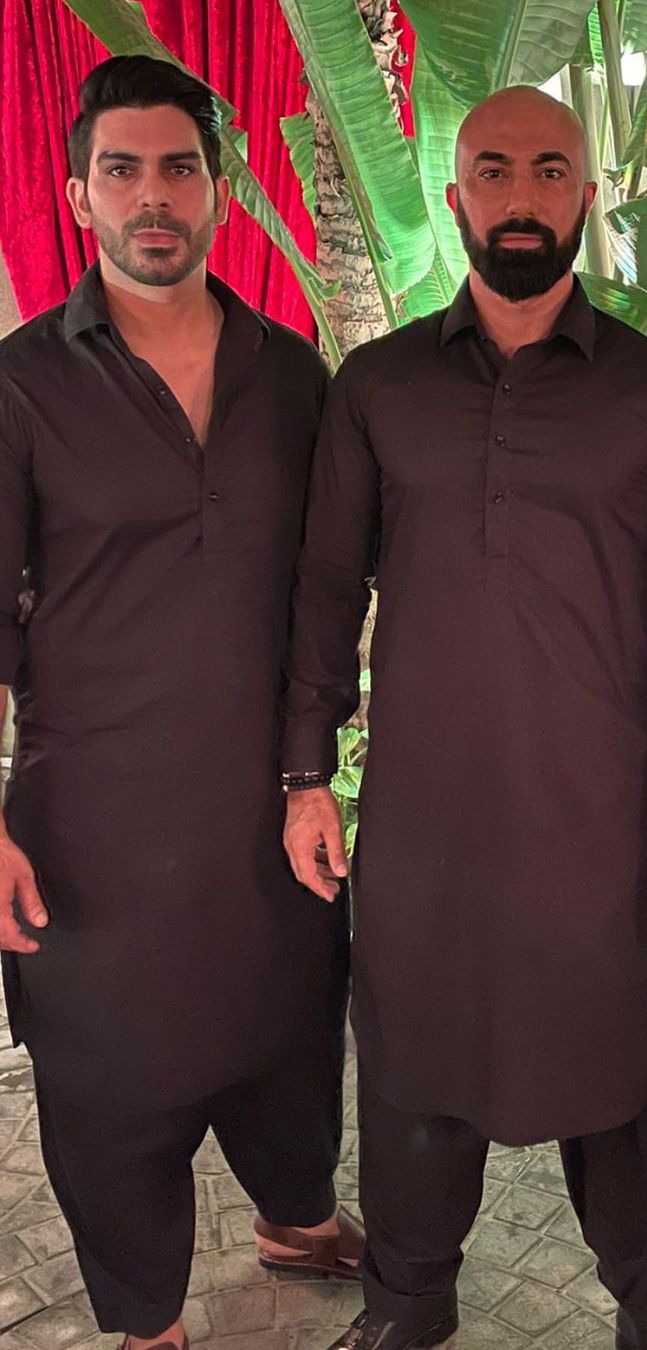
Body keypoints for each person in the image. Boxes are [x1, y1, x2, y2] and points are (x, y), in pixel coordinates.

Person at [280, 85, 647, 1350]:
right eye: (494, 170)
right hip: (425, 814)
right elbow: (325, 586)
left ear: (587, 195)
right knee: (414, 1063)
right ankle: (408, 1303)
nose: (522, 196)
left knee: (620, 1072)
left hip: (596, 814)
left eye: (550, 170)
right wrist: (307, 773)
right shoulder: (377, 387)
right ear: (456, 197)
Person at [0, 57, 356, 1350]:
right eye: (122, 169)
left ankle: (297, 1221)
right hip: (90, 822)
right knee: (109, 1088)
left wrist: (316, 771)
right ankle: (147, 1321)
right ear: (79, 194)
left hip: (268, 804)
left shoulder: (293, 375)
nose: (152, 195)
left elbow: (325, 590)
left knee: (290, 1038)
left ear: (218, 188)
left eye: (178, 168)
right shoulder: (21, 385)